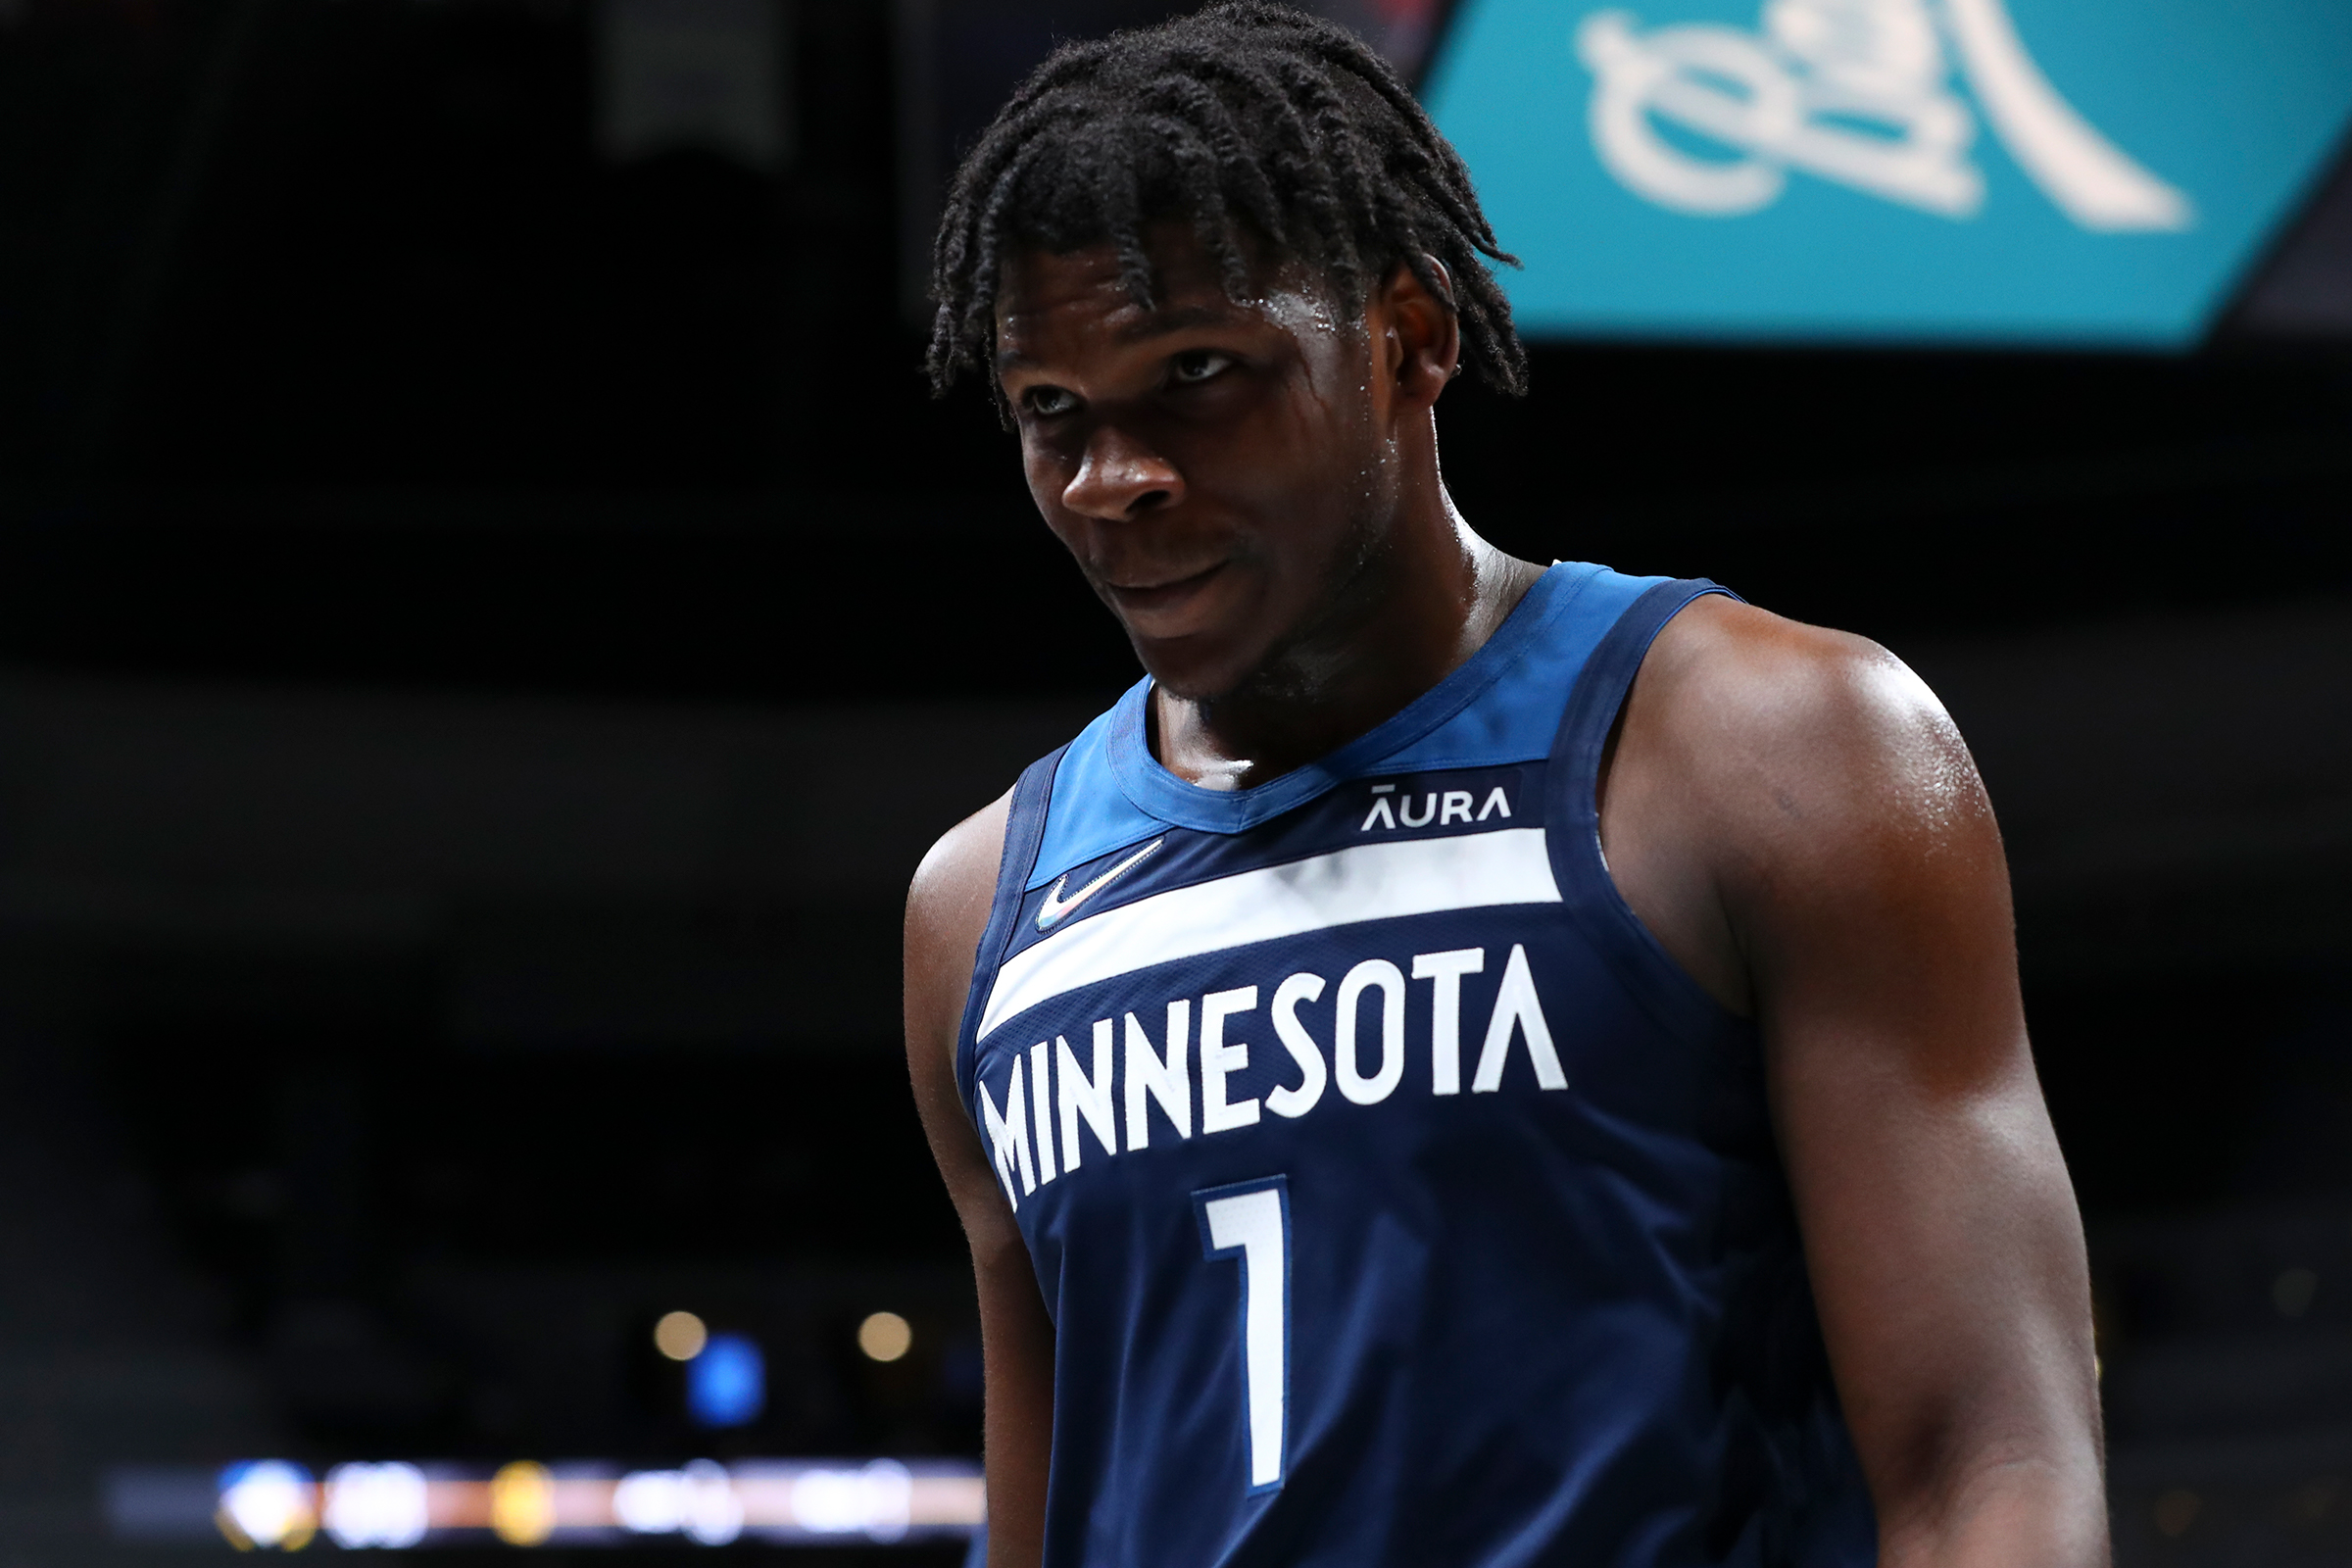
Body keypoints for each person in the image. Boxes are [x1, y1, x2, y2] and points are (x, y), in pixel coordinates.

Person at [902, 6, 2106, 1565]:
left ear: (1411, 338)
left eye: (1197, 373)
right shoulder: (981, 908)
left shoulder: (1770, 749)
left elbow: (1987, 1459)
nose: (1109, 479)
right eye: (1050, 412)